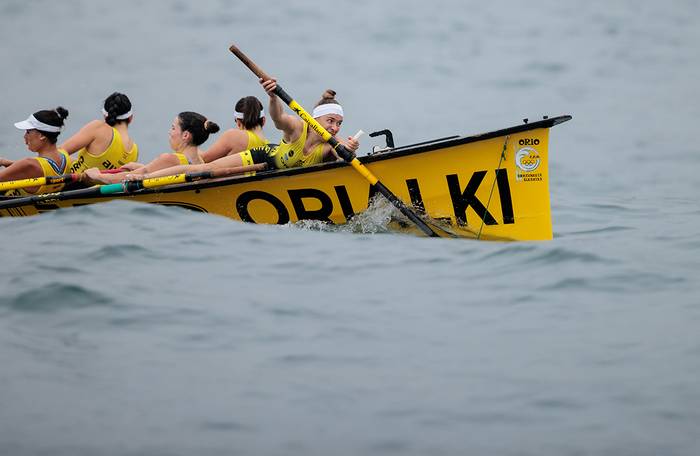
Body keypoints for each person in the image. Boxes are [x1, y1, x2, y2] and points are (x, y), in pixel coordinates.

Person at [125, 80, 359, 180]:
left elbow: (343, 155)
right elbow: (277, 118)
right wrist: (272, 96)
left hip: (272, 173)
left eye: (339, 123)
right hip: (264, 157)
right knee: (204, 170)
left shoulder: (331, 144)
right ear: (316, 118)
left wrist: (350, 149)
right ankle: (142, 178)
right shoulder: (299, 127)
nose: (334, 127)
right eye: (330, 121)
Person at [84, 111, 220, 184]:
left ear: (185, 135)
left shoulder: (169, 159)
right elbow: (166, 172)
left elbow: (128, 178)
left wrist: (98, 176)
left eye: (173, 128)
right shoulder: (200, 161)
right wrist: (142, 167)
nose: (169, 132)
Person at [61, 92, 138, 173]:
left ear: (105, 116)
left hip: (71, 182)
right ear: (130, 118)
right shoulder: (134, 151)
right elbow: (95, 163)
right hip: (97, 184)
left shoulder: (99, 128)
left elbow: (60, 153)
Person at [1, 107, 71, 195]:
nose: (24, 136)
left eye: (28, 132)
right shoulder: (66, 157)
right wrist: (6, 162)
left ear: (42, 136)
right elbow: (39, 168)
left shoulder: (28, 164)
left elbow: (28, 167)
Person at [200, 95, 268, 163]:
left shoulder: (234, 137)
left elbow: (202, 160)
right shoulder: (268, 148)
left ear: (238, 122)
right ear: (264, 121)